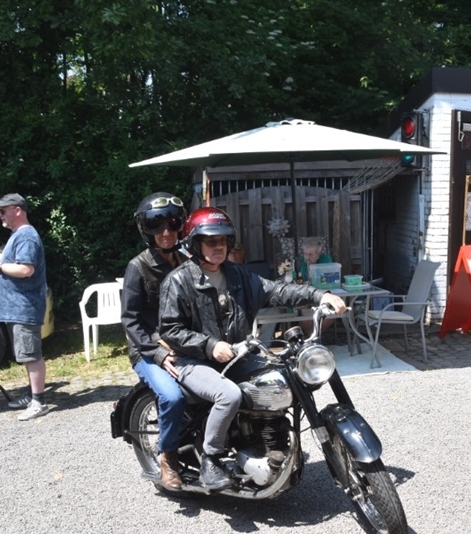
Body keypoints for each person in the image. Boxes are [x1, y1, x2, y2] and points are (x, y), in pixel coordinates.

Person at [158, 207, 347, 490]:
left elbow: (278, 290)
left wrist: (320, 295)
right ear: (195, 244)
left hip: (237, 354)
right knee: (228, 395)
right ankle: (211, 458)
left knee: (283, 380)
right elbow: (170, 329)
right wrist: (210, 346)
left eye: (223, 240)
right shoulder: (178, 281)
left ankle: (267, 440)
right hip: (193, 360)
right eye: (211, 241)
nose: (219, 246)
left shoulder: (238, 275)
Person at [120, 192, 189, 491]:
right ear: (145, 229)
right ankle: (167, 457)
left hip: (185, 344)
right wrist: (157, 353)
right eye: (156, 225)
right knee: (172, 397)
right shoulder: (138, 267)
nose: (166, 232)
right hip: (148, 351)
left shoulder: (188, 261)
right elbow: (130, 320)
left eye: (172, 224)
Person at [0, 193, 49, 421]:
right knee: (26, 354)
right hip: (17, 307)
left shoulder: (26, 236)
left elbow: (25, 269)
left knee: (31, 355)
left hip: (24, 306)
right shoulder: (18, 235)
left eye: (2, 210)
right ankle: (31, 395)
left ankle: (39, 402)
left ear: (17, 210)